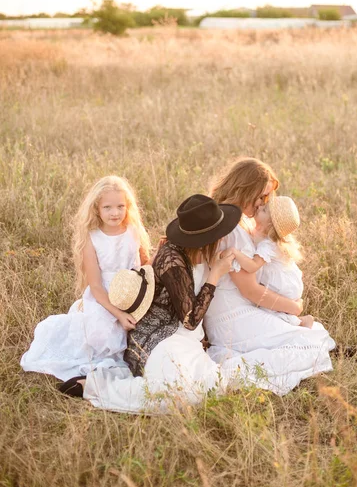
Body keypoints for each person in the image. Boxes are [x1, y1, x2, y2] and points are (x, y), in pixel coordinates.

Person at [59, 194, 246, 411]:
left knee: (210, 388)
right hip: (158, 337)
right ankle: (95, 386)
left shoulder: (204, 252)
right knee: (177, 395)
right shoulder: (173, 260)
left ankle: (121, 379)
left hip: (186, 339)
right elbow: (190, 320)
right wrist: (215, 275)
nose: (221, 238)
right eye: (217, 234)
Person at [204, 157, 336, 395]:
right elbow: (250, 290)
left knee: (312, 333)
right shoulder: (232, 229)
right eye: (262, 197)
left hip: (235, 310)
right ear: (247, 189)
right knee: (311, 344)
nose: (264, 203)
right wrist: (292, 307)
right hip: (232, 316)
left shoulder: (232, 218)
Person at [20, 176, 150, 381]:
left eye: (120, 206)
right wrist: (118, 314)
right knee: (103, 335)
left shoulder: (134, 232)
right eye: (107, 207)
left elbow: (145, 266)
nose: (115, 213)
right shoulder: (93, 238)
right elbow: (96, 286)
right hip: (104, 297)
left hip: (132, 292)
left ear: (128, 207)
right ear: (96, 209)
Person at [229, 193, 314, 328]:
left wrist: (235, 253)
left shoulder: (268, 245)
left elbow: (252, 266)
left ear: (269, 224)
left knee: (270, 311)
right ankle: (298, 321)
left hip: (283, 286)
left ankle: (301, 322)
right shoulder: (263, 236)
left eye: (264, 210)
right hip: (288, 282)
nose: (260, 206)